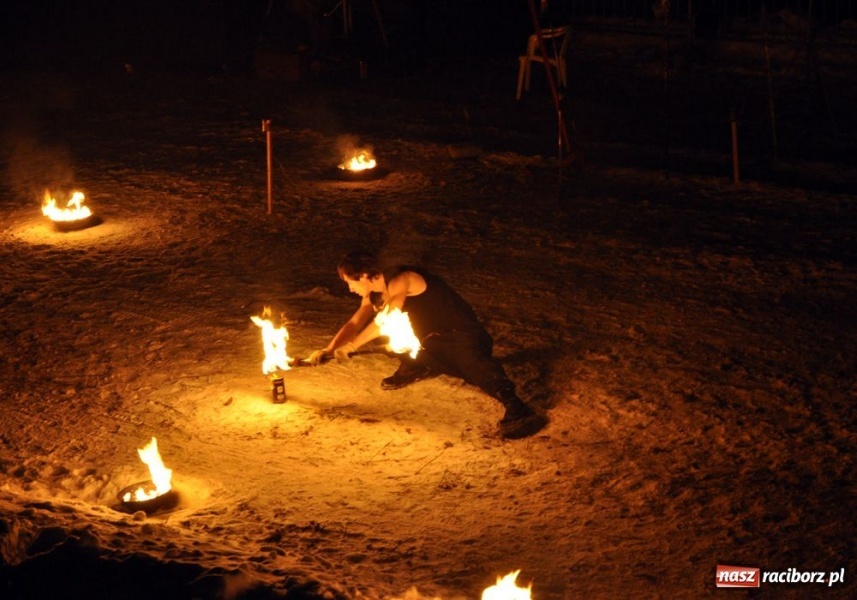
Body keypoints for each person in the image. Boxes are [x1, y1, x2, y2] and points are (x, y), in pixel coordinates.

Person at [306, 251, 547, 439]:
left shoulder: (402, 279)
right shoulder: (373, 295)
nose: (349, 288)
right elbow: (355, 322)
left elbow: (386, 319)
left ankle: (516, 407)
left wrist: (352, 347)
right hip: (430, 341)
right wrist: (329, 349)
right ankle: (416, 365)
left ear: (365, 276)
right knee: (384, 340)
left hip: (462, 336)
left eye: (350, 282)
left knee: (475, 368)